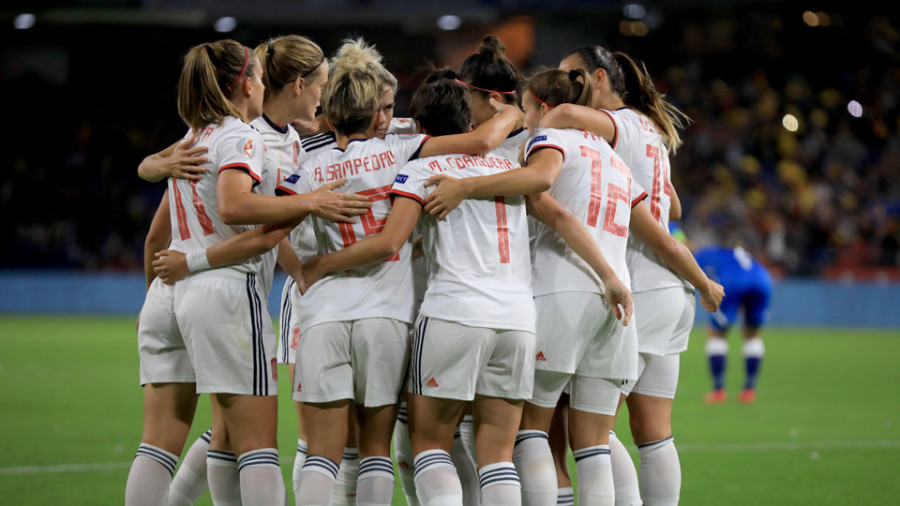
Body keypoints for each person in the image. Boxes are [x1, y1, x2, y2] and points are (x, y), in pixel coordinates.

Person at [299, 68, 633, 506]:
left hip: (451, 315)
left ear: (420, 126)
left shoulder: (419, 168)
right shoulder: (509, 166)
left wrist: (318, 265)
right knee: (498, 455)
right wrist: (609, 275)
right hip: (516, 321)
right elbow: (559, 216)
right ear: (467, 118)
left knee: (430, 446)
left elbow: (391, 240)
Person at [421, 56, 724, 506]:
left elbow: (548, 199)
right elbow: (666, 224)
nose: (522, 119)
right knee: (595, 442)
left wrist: (466, 185)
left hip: (562, 290)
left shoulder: (549, 138)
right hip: (620, 301)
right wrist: (700, 282)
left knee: (530, 432)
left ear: (540, 106)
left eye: (525, 109)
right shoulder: (617, 160)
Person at [274, 52, 522, 505]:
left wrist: (301, 272)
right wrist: (512, 110)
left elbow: (269, 226)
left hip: (322, 316)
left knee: (321, 454)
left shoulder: (306, 169)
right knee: (375, 453)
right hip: (385, 317)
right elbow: (480, 143)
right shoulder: (398, 151)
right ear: (377, 112)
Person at [124, 37, 349, 506]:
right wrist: (313, 201)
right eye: (260, 77)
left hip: (168, 293)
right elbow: (234, 207)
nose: (264, 83)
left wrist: (152, 302)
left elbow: (154, 234)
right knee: (257, 444)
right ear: (247, 84)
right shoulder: (241, 136)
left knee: (159, 442)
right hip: (223, 291)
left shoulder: (192, 138)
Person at [694, 243, 772, 404]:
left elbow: (692, 272)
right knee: (752, 334)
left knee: (716, 333)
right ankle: (749, 389)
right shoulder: (736, 253)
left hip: (734, 280)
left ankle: (718, 390)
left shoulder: (703, 253)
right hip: (762, 278)